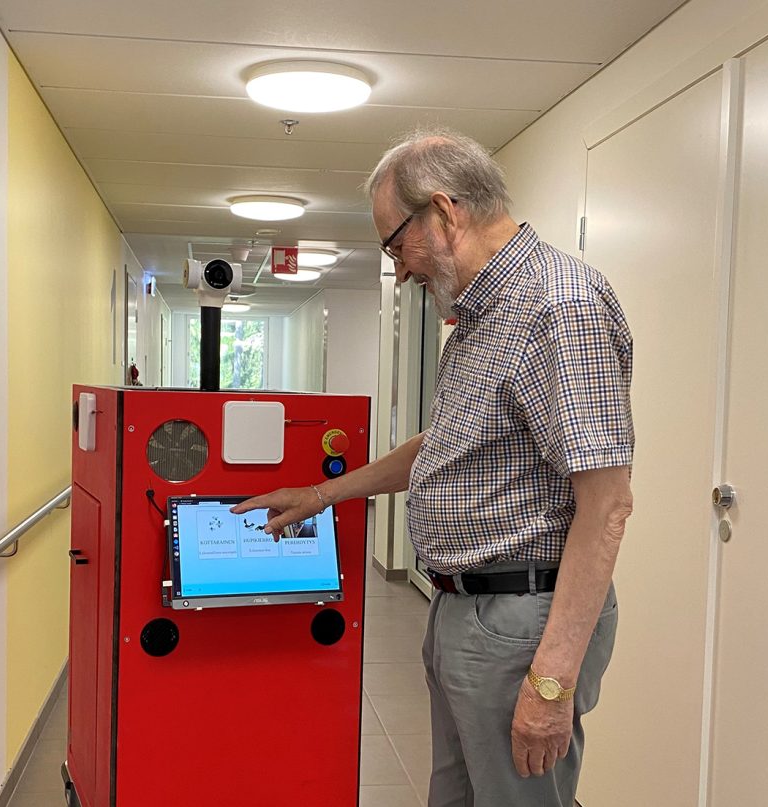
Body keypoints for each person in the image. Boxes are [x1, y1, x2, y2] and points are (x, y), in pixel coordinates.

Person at [232, 129, 634, 807]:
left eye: (395, 245)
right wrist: (323, 492)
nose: (400, 271)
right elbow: (443, 444)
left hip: (521, 622)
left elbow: (608, 503)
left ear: (446, 211)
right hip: (461, 608)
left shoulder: (557, 308)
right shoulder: (478, 316)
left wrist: (551, 681)